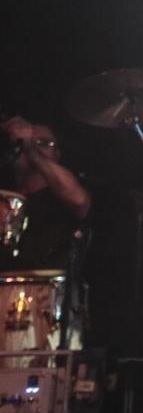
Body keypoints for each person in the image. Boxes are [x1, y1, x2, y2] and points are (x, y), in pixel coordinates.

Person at [0, 116, 92, 352]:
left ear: (57, 155)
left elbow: (79, 200)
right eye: (26, 142)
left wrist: (30, 147)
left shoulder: (61, 194)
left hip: (46, 304)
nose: (32, 146)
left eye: (43, 142)